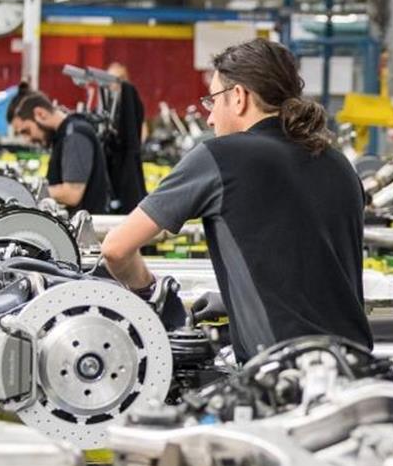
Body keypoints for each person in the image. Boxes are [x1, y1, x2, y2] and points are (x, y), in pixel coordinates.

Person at [101, 39, 372, 363]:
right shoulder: (337, 162)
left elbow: (115, 249)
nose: (211, 118)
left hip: (284, 381)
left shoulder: (221, 157)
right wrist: (235, 302)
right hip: (357, 370)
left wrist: (153, 295)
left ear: (239, 97)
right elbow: (307, 262)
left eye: (212, 101)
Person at [12, 91, 113, 214]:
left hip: (90, 227)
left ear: (40, 114)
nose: (28, 139)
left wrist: (27, 191)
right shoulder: (64, 135)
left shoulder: (74, 135)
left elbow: (72, 194)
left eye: (26, 131)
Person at [104, 62, 148, 213]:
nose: (114, 83)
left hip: (126, 165)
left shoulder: (130, 100)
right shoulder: (107, 102)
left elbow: (140, 130)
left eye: (118, 78)